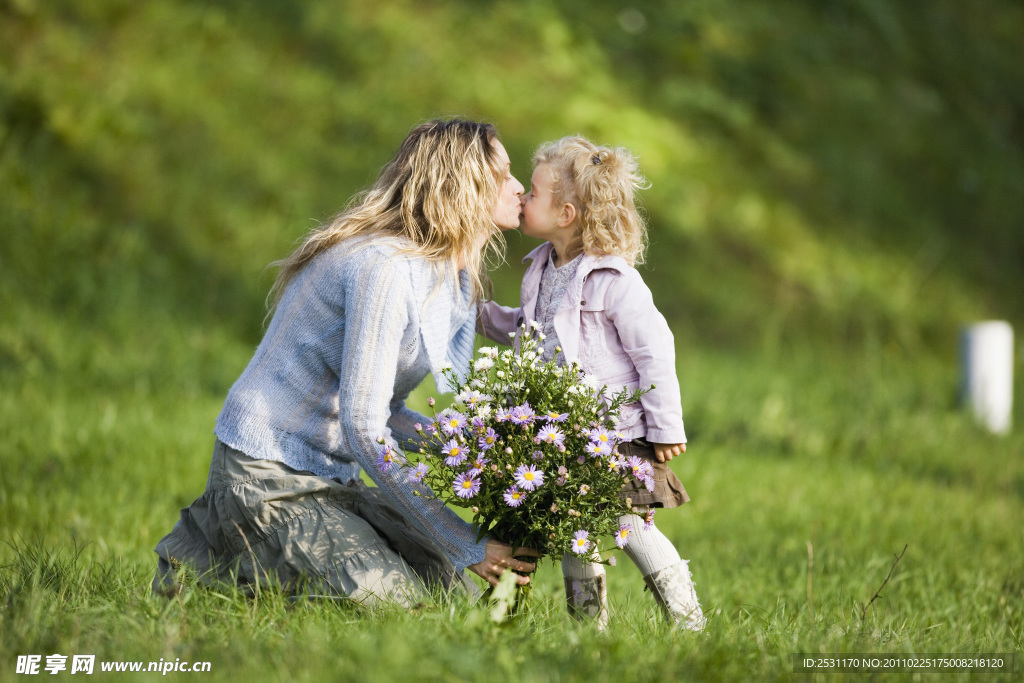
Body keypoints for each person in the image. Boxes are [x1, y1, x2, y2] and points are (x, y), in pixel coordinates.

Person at [152, 119, 537, 606]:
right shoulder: (387, 270)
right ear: (462, 185)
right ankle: (221, 555)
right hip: (268, 476)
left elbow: (386, 412)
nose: (519, 186)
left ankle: (242, 559)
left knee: (450, 595)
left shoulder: (444, 275)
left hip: (334, 478)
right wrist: (459, 539)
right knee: (398, 606)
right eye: (503, 174)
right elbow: (364, 426)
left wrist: (475, 454)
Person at [477, 136, 705, 630]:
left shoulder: (613, 279)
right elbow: (530, 328)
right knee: (575, 532)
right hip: (567, 434)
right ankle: (588, 631)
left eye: (532, 193)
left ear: (566, 214)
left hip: (615, 434)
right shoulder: (542, 267)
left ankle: (687, 618)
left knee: (629, 526)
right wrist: (479, 315)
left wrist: (666, 427)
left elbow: (655, 350)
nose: (521, 198)